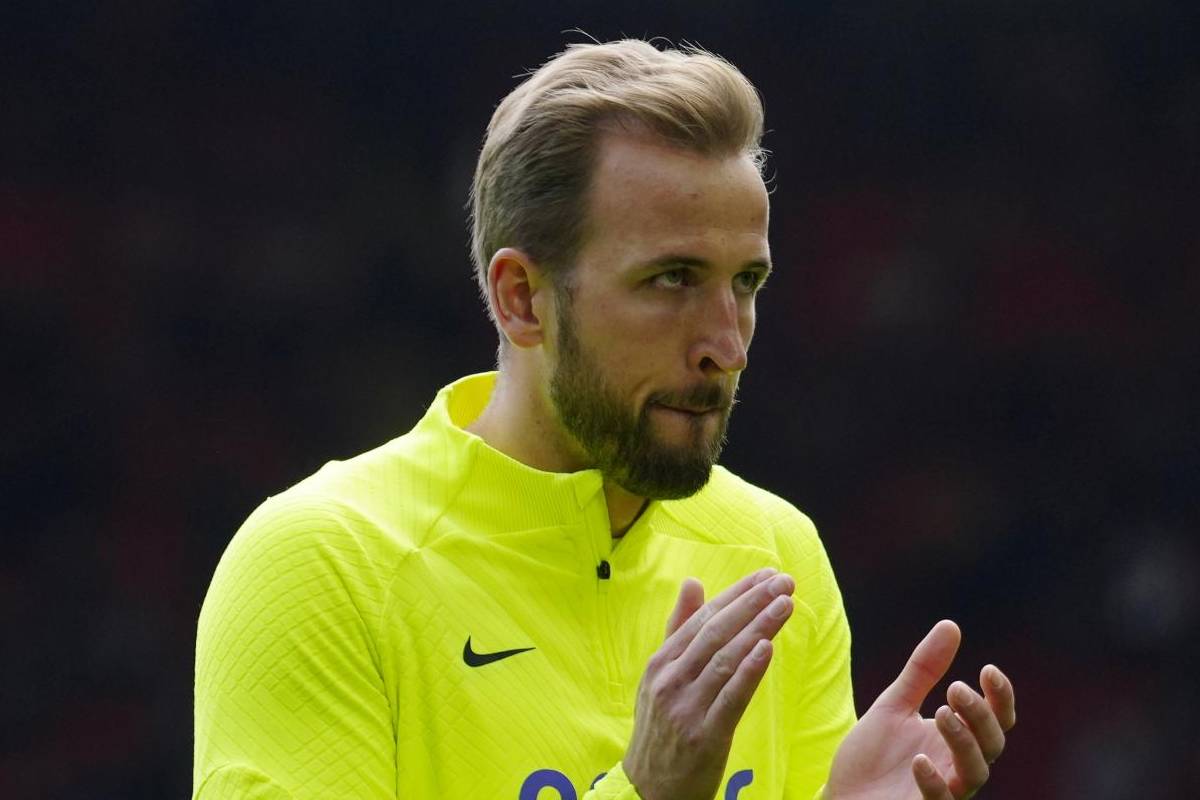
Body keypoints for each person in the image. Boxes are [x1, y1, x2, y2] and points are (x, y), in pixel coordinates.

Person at [193, 39, 1015, 800]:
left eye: (746, 283)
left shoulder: (774, 556)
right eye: (672, 279)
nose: (726, 346)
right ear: (522, 299)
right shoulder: (325, 565)